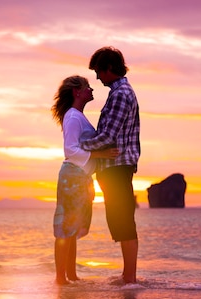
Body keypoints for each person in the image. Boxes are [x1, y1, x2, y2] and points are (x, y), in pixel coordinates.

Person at [80, 46, 141, 284]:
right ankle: (128, 276)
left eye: (98, 71)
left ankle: (130, 278)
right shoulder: (121, 92)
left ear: (109, 68)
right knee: (120, 220)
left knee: (123, 220)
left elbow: (108, 136)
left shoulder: (120, 94)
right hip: (116, 166)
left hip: (116, 167)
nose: (96, 77)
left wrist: (79, 145)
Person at [51, 75, 119, 285]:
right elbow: (70, 150)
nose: (91, 90)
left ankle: (70, 275)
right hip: (73, 176)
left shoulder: (78, 116)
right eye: (87, 87)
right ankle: (61, 278)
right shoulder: (72, 117)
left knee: (72, 228)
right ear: (76, 92)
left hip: (80, 176)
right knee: (66, 229)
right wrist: (100, 156)